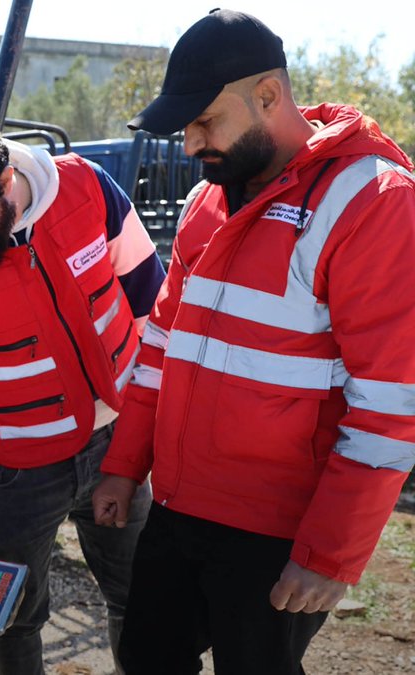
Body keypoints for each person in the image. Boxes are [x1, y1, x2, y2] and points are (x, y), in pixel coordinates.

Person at [91, 9, 415, 675]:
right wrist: (126, 463)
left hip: (277, 529)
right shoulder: (206, 202)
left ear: (268, 95)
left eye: (204, 122)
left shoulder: (374, 200)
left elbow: (391, 405)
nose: (189, 145)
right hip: (180, 507)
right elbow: (162, 347)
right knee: (145, 656)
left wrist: (330, 554)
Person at [0, 117, 166, 674]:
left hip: (118, 438)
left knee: (141, 595)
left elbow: (148, 294)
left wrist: (152, 416)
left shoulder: (89, 188)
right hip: (17, 467)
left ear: (3, 181)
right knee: (14, 615)